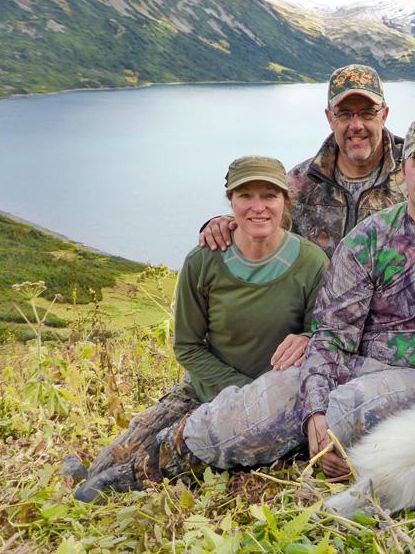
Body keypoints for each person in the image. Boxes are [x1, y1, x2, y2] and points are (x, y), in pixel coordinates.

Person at [75, 112, 415, 497]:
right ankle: (118, 479)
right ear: (405, 172)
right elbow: (331, 336)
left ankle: (312, 442)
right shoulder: (369, 239)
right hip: (359, 363)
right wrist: (314, 409)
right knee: (245, 409)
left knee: (345, 416)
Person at [75, 156, 328, 502]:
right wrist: (239, 391)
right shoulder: (203, 261)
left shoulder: (311, 262)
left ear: (284, 200)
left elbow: (324, 334)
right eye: (245, 196)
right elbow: (188, 346)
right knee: (118, 453)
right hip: (204, 388)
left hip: (275, 401)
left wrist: (306, 338)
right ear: (230, 202)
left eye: (269, 195)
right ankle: (84, 473)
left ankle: (107, 484)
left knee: (165, 462)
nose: (258, 207)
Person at [200, 64, 415, 258]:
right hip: (320, 325)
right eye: (345, 114)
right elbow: (263, 222)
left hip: (397, 325)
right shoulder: (301, 183)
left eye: (367, 113)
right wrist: (223, 224)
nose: (356, 125)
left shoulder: (414, 172)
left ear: (384, 115)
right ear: (330, 118)